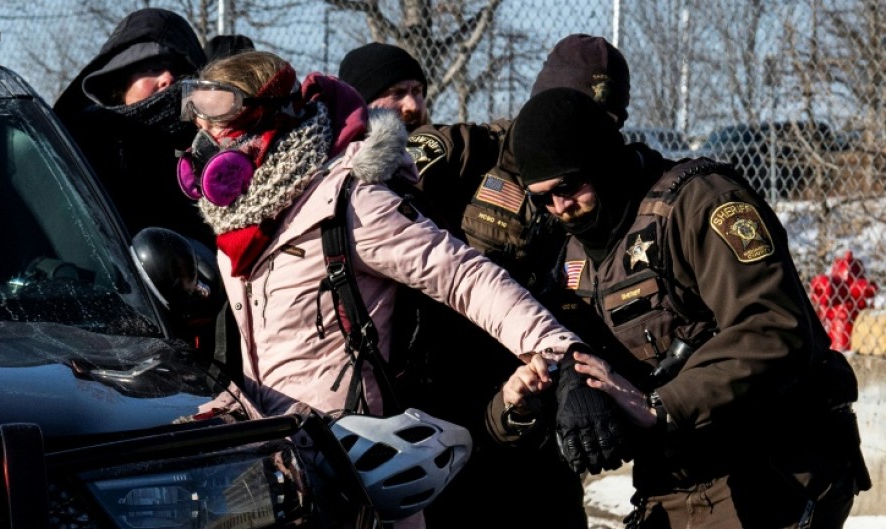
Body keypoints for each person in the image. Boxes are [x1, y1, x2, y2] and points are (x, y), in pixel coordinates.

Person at [175, 50, 605, 529]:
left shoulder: (351, 203)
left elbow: (467, 277)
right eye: (202, 138)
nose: (205, 154)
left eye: (220, 139)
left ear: (266, 133)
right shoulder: (241, 227)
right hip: (282, 478)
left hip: (359, 482)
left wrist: (562, 353)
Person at [488, 86, 872, 529]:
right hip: (677, 476)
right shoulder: (573, 254)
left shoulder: (700, 204)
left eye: (570, 186)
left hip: (774, 463)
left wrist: (661, 405)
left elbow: (774, 327)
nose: (561, 208)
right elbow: (563, 350)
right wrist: (529, 400)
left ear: (602, 160)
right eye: (542, 198)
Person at [405, 34, 632, 529]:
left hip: (548, 409)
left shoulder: (620, 192)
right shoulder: (467, 154)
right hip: (452, 408)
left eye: (602, 128)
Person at [53, 7, 214, 247]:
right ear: (119, 80)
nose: (167, 78)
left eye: (179, 70)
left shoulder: (212, 148)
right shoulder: (81, 150)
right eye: (150, 68)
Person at [338, 42, 429, 131]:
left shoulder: (439, 141)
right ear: (364, 105)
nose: (413, 106)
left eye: (416, 91)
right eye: (398, 93)